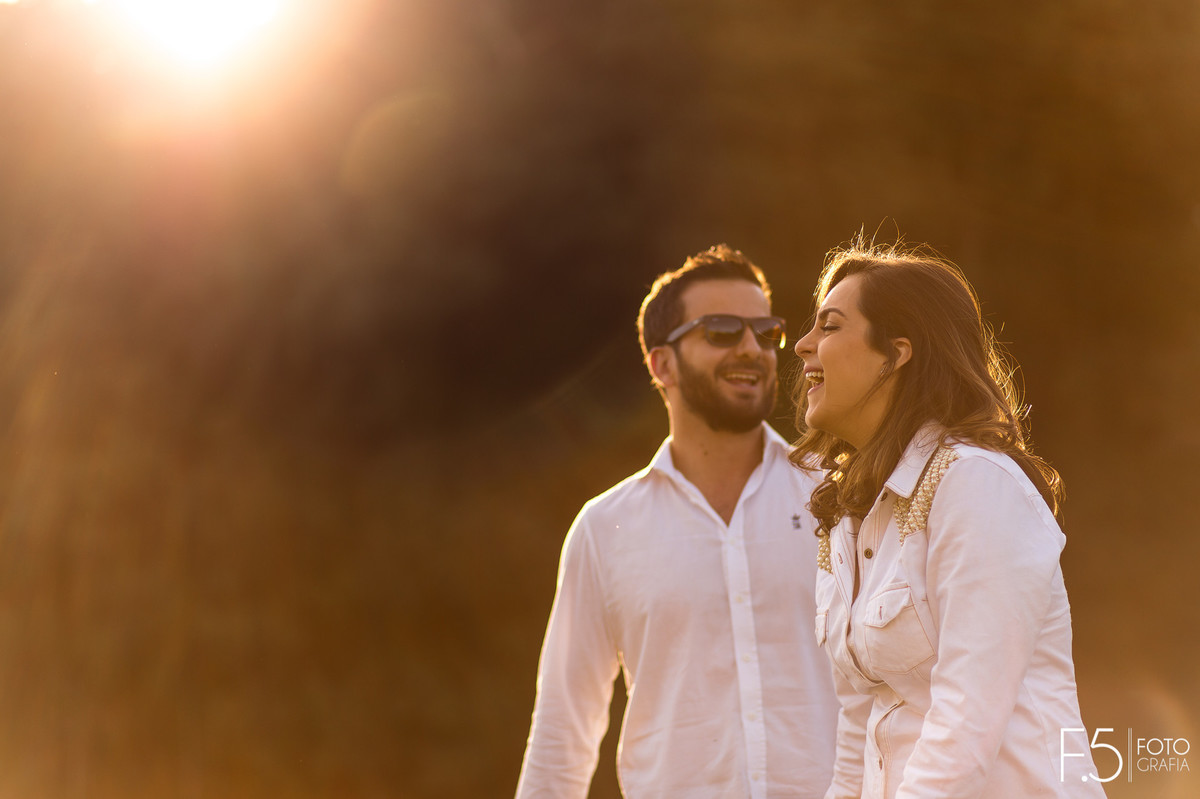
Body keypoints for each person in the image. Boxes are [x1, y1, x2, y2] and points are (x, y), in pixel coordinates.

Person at [515, 245, 839, 798]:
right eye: (720, 331)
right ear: (661, 364)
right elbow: (561, 734)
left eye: (765, 332)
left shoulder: (836, 497)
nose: (751, 349)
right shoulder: (604, 529)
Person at [789, 238, 1105, 798]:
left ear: (897, 353)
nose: (801, 345)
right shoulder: (847, 511)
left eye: (830, 326)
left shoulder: (976, 482)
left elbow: (968, 715)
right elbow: (859, 721)